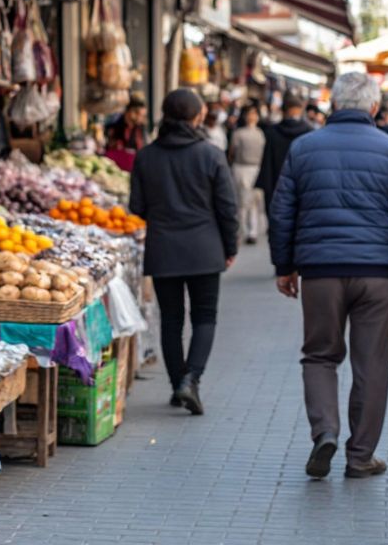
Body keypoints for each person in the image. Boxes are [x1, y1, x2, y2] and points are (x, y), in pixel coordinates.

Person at [270, 72, 388, 480]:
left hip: (320, 272)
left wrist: (285, 267)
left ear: (332, 105)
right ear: (373, 107)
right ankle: (361, 455)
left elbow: (282, 213)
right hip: (378, 273)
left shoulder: (304, 148)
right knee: (372, 363)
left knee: (319, 355)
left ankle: (325, 432)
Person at [129, 89, 239, 416]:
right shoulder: (211, 154)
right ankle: (191, 379)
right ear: (196, 116)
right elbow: (228, 208)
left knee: (172, 320)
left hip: (163, 248)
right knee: (205, 316)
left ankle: (179, 383)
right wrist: (230, 247)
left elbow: (137, 208)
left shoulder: (146, 156)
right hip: (205, 248)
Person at [256, 93, 314, 218]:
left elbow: (267, 164)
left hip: (275, 187)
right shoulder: (309, 133)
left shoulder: (272, 132)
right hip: (300, 189)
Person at [229, 106, 266, 244]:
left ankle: (252, 231)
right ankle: (242, 230)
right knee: (242, 201)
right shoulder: (239, 133)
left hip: (255, 168)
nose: (252, 117)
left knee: (253, 202)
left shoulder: (260, 133)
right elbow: (232, 153)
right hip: (241, 168)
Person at [104, 95, 149, 172]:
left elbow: (142, 148)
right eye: (140, 115)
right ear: (131, 112)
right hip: (114, 168)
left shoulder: (140, 129)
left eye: (143, 116)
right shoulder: (114, 125)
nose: (142, 118)